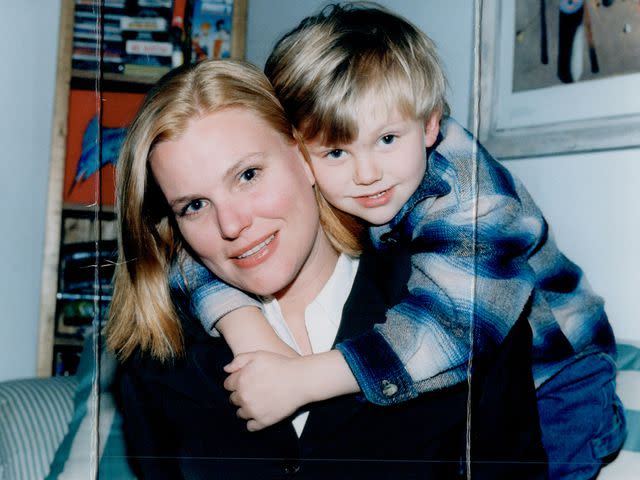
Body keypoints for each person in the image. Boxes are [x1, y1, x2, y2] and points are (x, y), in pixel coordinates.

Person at [171, 3, 626, 479]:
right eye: (335, 151)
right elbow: (190, 255)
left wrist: (304, 379)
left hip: (560, 377)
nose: (367, 174)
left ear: (429, 125)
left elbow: (455, 330)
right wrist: (245, 326)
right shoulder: (354, 185)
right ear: (297, 153)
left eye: (387, 139)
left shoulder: (471, 200)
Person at [106, 59, 546, 479]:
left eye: (248, 175)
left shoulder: (461, 301)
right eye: (195, 206)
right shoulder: (159, 356)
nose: (232, 224)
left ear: (305, 156)